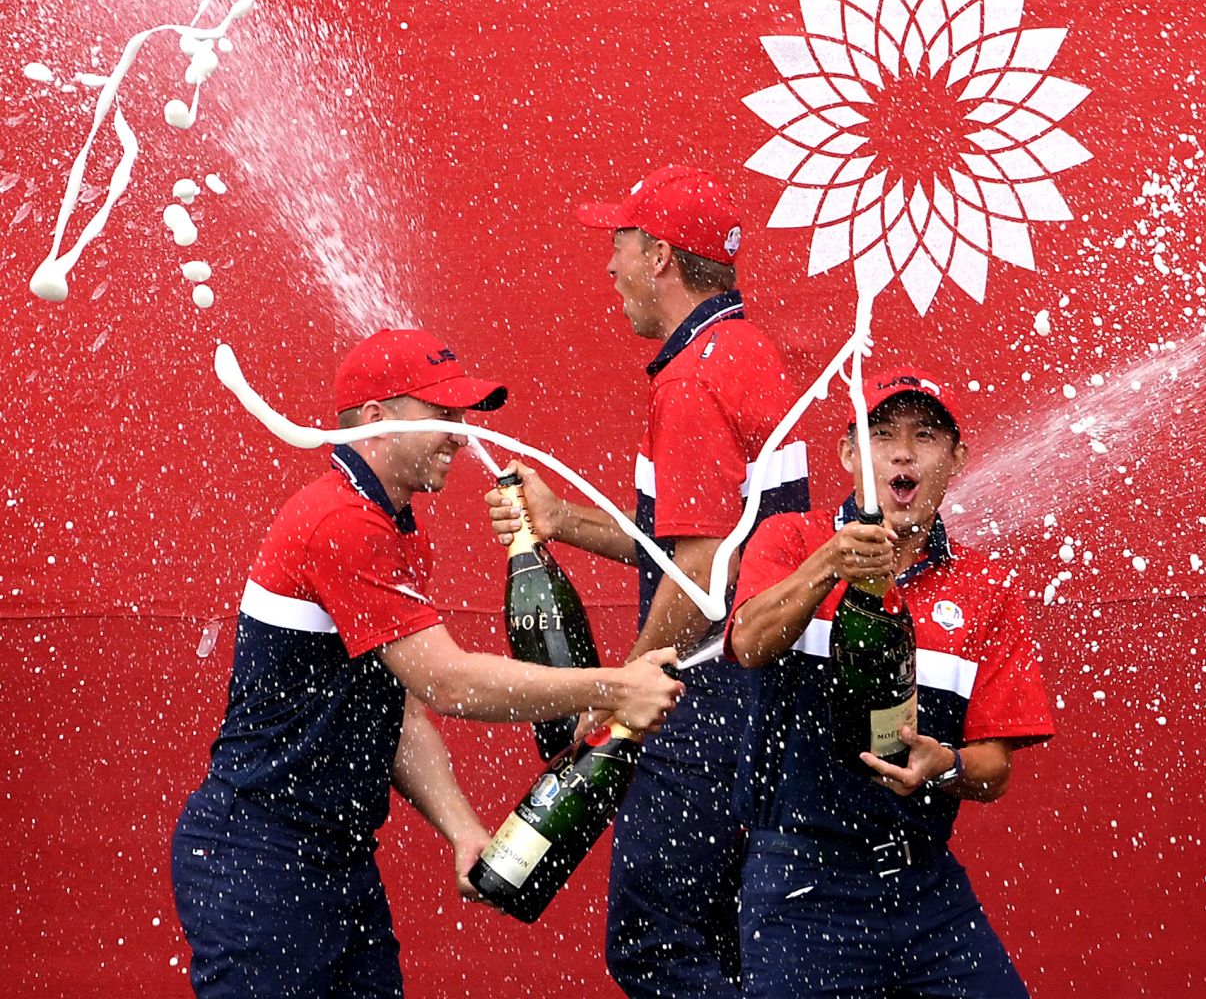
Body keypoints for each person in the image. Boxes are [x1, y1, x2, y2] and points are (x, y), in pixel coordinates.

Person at [171, 328, 683, 998]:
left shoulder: (392, 528)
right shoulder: (342, 523)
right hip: (259, 857)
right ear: (376, 421)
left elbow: (402, 710)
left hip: (332, 860)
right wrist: (614, 685)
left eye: (462, 416)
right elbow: (446, 681)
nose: (460, 434)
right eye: (442, 415)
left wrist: (463, 832)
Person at [487, 165, 810, 997]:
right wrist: (562, 524)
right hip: (758, 707)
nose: (612, 266)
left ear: (661, 257)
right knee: (735, 950)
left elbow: (700, 574)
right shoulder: (745, 351)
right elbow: (710, 549)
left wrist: (625, 681)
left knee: (659, 949)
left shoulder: (693, 381)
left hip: (701, 713)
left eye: (622, 244)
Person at [725, 369, 1054, 998]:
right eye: (881, 434)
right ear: (850, 453)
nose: (903, 452)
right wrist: (830, 564)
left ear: (956, 459)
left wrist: (947, 765)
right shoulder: (791, 539)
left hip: (925, 888)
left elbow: (995, 768)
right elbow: (748, 642)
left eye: (925, 435)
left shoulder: (987, 588)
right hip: (801, 887)